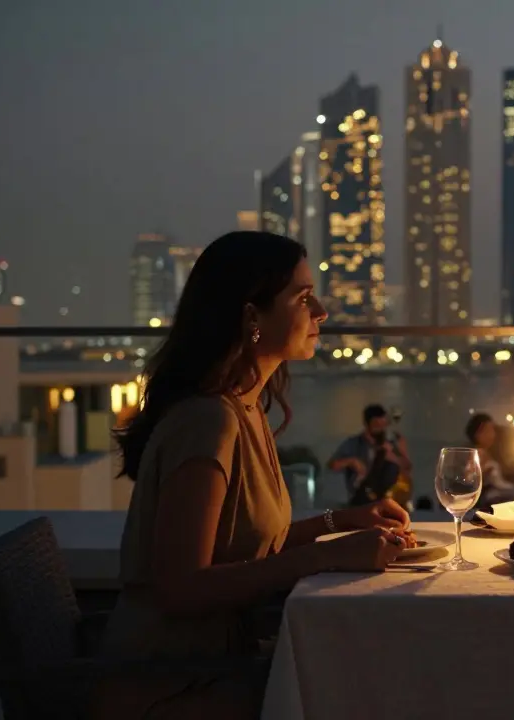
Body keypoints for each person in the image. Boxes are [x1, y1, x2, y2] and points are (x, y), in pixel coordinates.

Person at [95, 232, 412, 720]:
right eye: (303, 298)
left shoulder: (244, 408)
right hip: (172, 684)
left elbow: (247, 544)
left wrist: (344, 521)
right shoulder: (208, 421)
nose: (321, 311)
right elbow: (179, 587)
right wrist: (325, 556)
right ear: (251, 317)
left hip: (223, 661)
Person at [327, 404, 413, 506]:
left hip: (388, 498)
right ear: (367, 424)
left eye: (383, 425)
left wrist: (392, 456)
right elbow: (332, 464)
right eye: (376, 425)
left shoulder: (392, 442)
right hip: (361, 496)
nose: (380, 428)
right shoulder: (354, 443)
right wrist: (352, 461)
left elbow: (407, 467)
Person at [465, 413, 514, 508]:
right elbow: (469, 479)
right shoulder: (478, 453)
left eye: (493, 430)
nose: (492, 435)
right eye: (488, 431)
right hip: (487, 495)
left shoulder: (490, 452)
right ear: (477, 434)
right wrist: (484, 472)